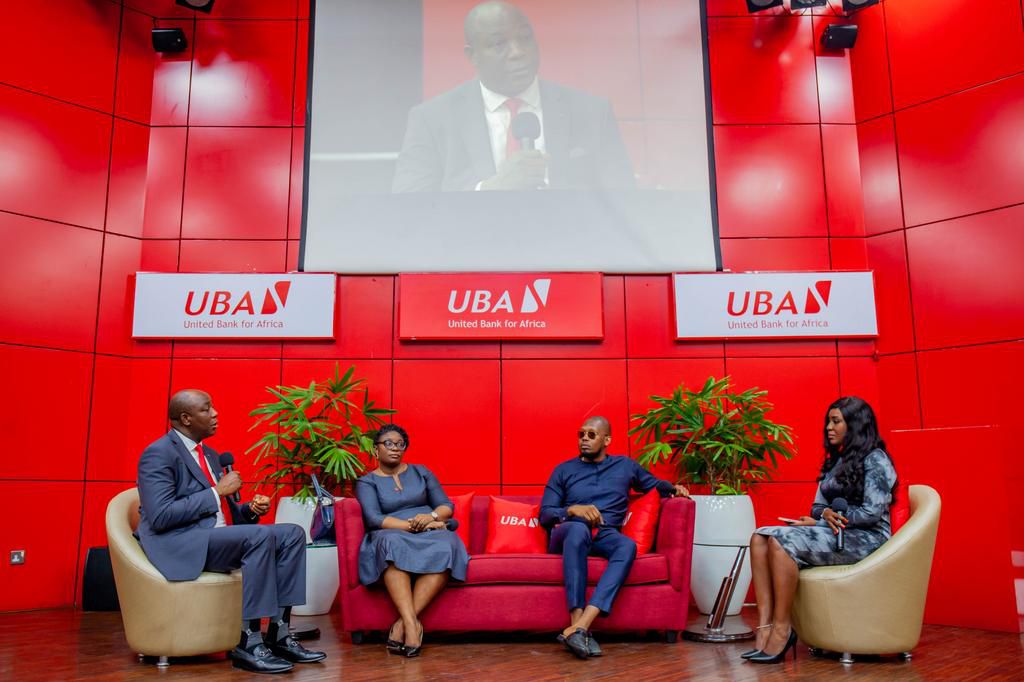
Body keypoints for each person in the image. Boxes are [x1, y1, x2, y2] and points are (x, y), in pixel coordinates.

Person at [135, 389, 326, 674]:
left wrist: (250, 510)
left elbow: (224, 516)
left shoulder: (210, 455)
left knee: (292, 533)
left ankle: (279, 633)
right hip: (180, 543)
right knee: (259, 537)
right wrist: (216, 492)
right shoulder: (157, 454)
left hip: (213, 539)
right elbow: (161, 516)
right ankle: (248, 642)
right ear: (186, 418)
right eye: (207, 409)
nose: (215, 414)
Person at [392, 1, 635, 193]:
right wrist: (490, 190)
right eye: (499, 44)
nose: (518, 52)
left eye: (525, 38)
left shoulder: (591, 112)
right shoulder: (431, 119)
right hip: (474, 250)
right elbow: (411, 206)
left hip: (567, 248)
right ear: (473, 56)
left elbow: (623, 201)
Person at [744, 396, 898, 664]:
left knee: (782, 542)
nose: (828, 427)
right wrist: (823, 515)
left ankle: (783, 629)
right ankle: (765, 627)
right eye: (828, 420)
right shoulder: (837, 462)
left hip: (867, 539)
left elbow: (872, 512)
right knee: (760, 536)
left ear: (855, 425)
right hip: (837, 533)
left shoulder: (876, 459)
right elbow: (817, 506)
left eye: (836, 421)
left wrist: (824, 520)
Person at [540, 416, 689, 660]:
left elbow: (653, 485)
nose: (584, 440)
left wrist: (674, 489)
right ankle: (575, 623)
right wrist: (572, 510)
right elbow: (545, 514)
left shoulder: (625, 466)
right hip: (569, 531)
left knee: (626, 545)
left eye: (591, 435)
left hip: (605, 533)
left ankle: (581, 627)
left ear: (607, 439)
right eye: (581, 435)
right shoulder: (564, 470)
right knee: (578, 530)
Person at [354, 424, 469, 657]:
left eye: (400, 444)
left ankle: (401, 624)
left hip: (430, 529)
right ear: (376, 450)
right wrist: (413, 526)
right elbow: (374, 518)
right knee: (391, 545)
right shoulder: (367, 482)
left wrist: (431, 517)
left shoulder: (421, 472)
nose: (395, 448)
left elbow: (447, 506)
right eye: (388, 443)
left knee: (447, 544)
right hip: (391, 531)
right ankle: (412, 625)